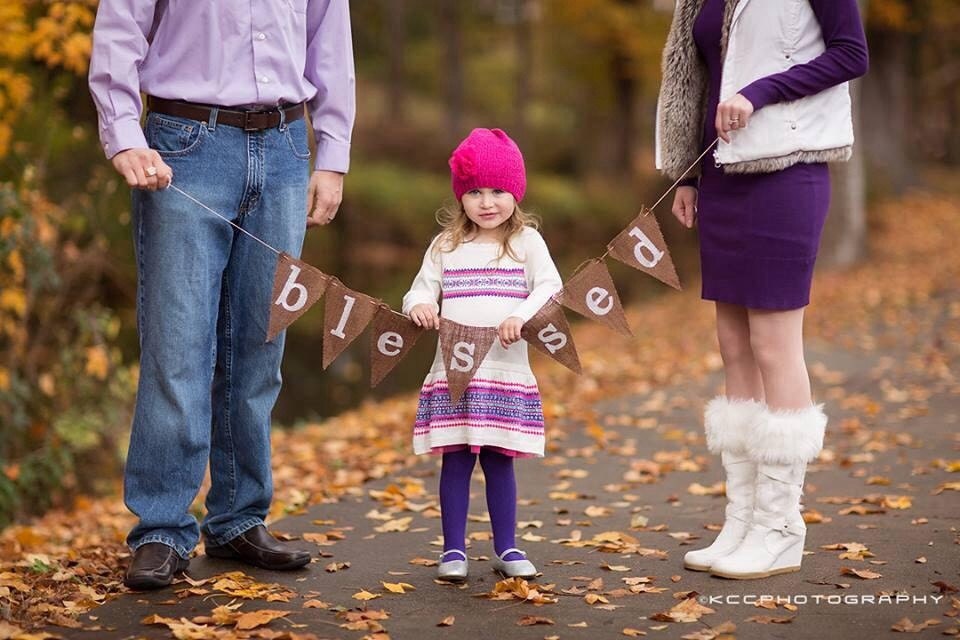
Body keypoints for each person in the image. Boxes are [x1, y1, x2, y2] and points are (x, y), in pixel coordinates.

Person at [87, 0, 355, 590]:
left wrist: (332, 154)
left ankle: (238, 519)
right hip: (184, 146)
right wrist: (123, 133)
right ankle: (161, 529)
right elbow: (119, 31)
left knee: (260, 349)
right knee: (178, 343)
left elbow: (329, 45)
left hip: (286, 149)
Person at [655, 0, 868, 579]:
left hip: (786, 169)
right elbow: (700, 77)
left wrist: (761, 92)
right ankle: (743, 519)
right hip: (723, 174)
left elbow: (853, 53)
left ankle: (780, 526)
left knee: (775, 345)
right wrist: (689, 173)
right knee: (734, 346)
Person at [402, 128, 562, 582]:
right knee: (455, 459)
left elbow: (551, 286)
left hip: (504, 371)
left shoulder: (526, 242)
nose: (486, 202)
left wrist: (521, 314)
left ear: (515, 192)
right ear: (460, 197)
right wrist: (420, 306)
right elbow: (419, 288)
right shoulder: (446, 245)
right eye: (474, 192)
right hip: (455, 372)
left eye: (497, 191)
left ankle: (506, 547)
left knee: (498, 460)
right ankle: (453, 550)